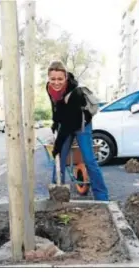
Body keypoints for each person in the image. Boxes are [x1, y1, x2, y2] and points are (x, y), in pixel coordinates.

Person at [46, 61, 109, 201]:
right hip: (66, 122)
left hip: (81, 124)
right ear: (49, 78)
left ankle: (102, 197)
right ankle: (57, 196)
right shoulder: (49, 88)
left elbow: (69, 124)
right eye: (53, 79)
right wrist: (55, 122)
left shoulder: (74, 92)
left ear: (66, 77)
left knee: (89, 160)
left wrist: (57, 145)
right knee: (59, 160)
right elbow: (56, 107)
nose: (56, 82)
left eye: (60, 79)